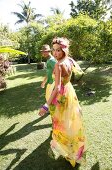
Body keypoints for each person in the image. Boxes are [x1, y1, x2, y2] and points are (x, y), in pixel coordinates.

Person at [39, 37, 86, 167]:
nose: (55, 53)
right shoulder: (70, 60)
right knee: (70, 119)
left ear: (64, 50)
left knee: (62, 123)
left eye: (58, 50)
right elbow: (77, 73)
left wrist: (46, 105)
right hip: (70, 91)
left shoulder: (58, 65)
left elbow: (57, 87)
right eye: (54, 50)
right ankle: (74, 146)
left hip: (62, 95)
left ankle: (68, 150)